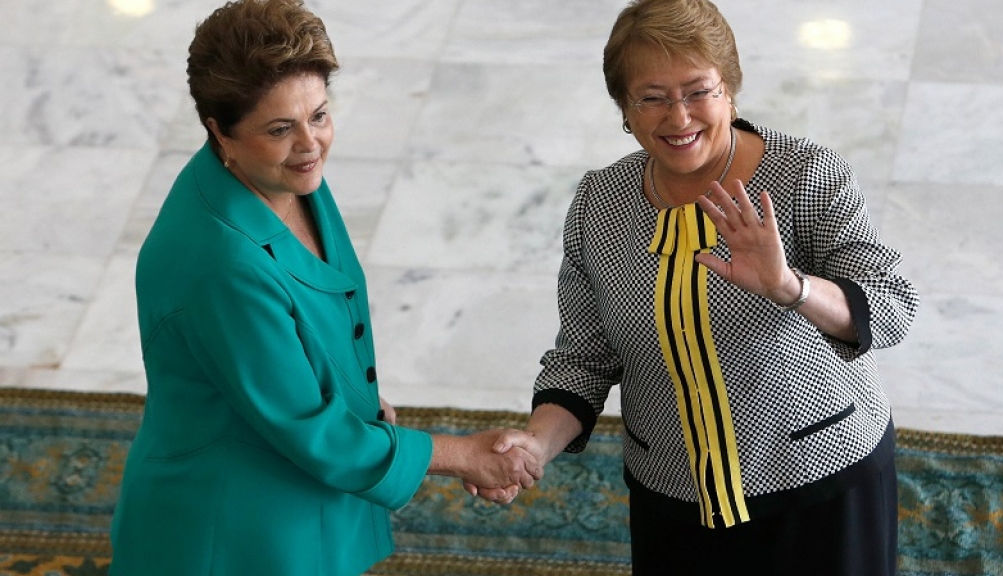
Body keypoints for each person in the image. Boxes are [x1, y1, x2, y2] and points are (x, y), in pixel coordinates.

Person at [474, 0, 919, 574]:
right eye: (652, 97)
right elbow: (584, 358)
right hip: (674, 498)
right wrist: (536, 443)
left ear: (730, 90)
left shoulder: (806, 174)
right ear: (625, 111)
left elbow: (890, 305)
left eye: (697, 91)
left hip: (821, 484)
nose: (678, 117)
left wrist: (791, 287)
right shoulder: (599, 205)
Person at [108, 1, 539, 575]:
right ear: (220, 131)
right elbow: (308, 427)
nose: (311, 143)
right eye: (281, 128)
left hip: (296, 485)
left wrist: (357, 399)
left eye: (319, 115)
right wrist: (463, 456)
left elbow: (310, 321)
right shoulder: (223, 263)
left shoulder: (280, 174)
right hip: (233, 528)